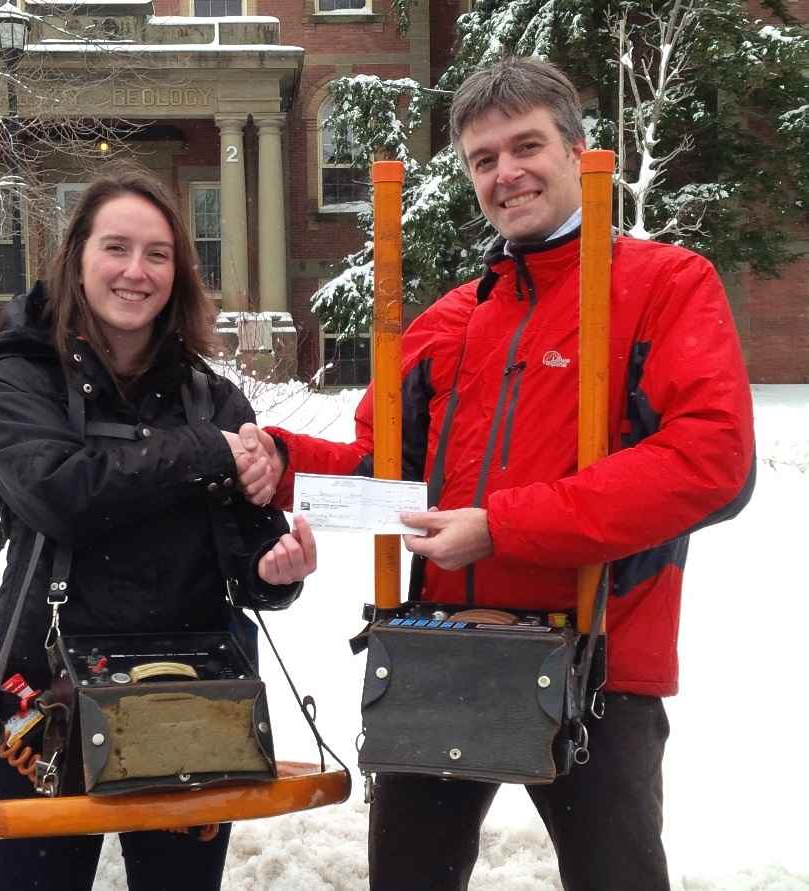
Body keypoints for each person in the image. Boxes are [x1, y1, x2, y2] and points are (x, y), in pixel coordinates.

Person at [235, 58, 755, 891]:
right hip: (445, 645)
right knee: (409, 876)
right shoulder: (448, 320)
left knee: (614, 877)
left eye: (526, 146)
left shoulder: (664, 286)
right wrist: (286, 460)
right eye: (483, 158)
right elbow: (384, 476)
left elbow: (711, 463)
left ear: (579, 150)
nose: (505, 173)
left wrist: (505, 525)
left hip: (600, 656)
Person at [0, 165, 316, 891]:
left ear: (179, 273)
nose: (136, 271)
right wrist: (201, 451)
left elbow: (248, 550)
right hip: (42, 696)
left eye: (157, 254)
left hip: (190, 696)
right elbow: (62, 493)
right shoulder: (18, 378)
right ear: (76, 258)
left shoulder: (212, 397)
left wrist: (276, 568)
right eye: (116, 248)